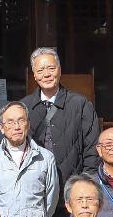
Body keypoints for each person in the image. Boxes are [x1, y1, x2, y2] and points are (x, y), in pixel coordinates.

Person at [21, 48, 101, 184]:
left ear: (60, 70)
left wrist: (87, 181)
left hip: (72, 184)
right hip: (34, 185)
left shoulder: (80, 104)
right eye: (40, 71)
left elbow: (92, 147)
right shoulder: (24, 106)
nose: (46, 74)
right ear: (34, 75)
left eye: (51, 68)